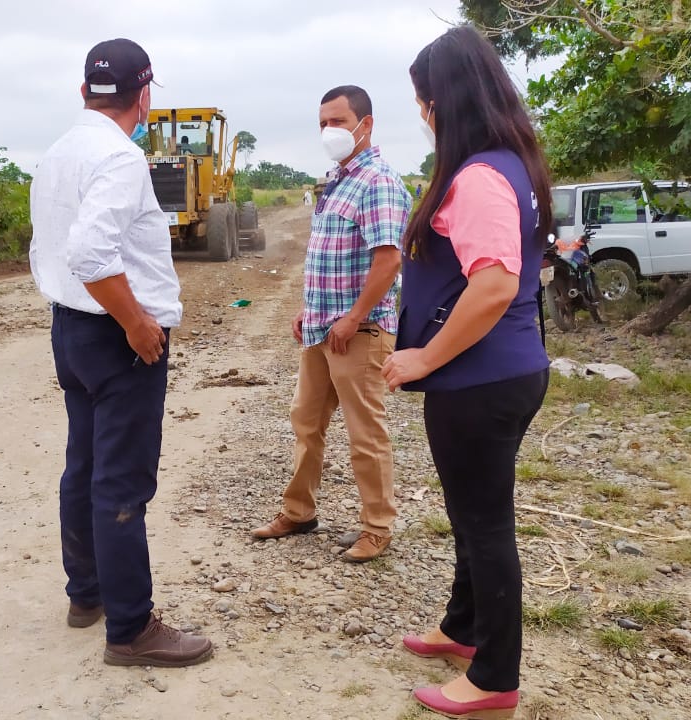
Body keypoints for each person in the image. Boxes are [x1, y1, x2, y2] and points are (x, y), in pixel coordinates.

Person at [382, 26, 552, 720]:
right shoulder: (512, 163)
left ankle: (494, 677)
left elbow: (494, 284)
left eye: (423, 101)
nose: (422, 114)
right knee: (471, 511)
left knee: (485, 524)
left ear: (445, 100)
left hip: (479, 382)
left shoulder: (479, 176)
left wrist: (424, 356)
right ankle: (462, 627)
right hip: (500, 373)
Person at [29, 37, 213, 668]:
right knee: (122, 480)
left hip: (71, 330)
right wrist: (135, 323)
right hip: (116, 336)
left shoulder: (58, 153)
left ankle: (87, 594)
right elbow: (90, 254)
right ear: (144, 95)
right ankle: (131, 629)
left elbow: (50, 250)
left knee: (84, 465)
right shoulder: (121, 158)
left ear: (85, 91)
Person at [250, 85, 411, 563]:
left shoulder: (378, 182)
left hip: (359, 332)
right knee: (306, 421)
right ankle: (298, 511)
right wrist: (311, 309)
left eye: (338, 121)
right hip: (322, 328)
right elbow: (331, 257)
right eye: (323, 123)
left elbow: (388, 260)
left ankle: (377, 528)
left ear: (365, 124)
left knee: (365, 433)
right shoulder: (338, 181)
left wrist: (354, 317)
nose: (329, 131)